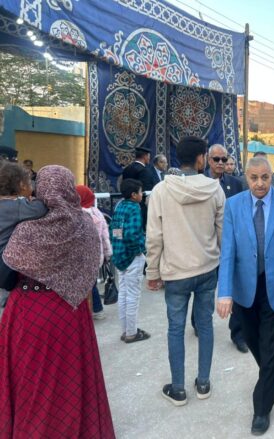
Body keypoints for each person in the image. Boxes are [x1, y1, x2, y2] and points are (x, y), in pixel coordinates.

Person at [0, 165, 115, 438]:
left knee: (32, 384)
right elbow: (93, 267)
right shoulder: (86, 224)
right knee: (72, 379)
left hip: (29, 312)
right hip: (73, 312)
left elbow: (6, 273)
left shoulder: (27, 229)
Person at [217, 156, 274, 435]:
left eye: (264, 177)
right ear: (246, 177)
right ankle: (273, 366)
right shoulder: (233, 205)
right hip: (245, 287)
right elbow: (227, 251)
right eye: (254, 178)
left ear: (272, 177)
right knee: (254, 340)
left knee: (272, 346)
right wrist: (225, 292)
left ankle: (261, 408)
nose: (259, 183)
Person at [146, 136, 225, 406]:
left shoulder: (161, 190)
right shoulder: (215, 190)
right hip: (207, 269)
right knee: (205, 325)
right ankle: (203, 383)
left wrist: (152, 273)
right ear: (202, 158)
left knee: (176, 329)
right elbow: (222, 233)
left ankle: (178, 389)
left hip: (176, 272)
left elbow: (154, 236)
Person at [203, 143, 247, 353]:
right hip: (207, 246)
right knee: (205, 288)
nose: (221, 163)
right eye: (216, 159)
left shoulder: (235, 184)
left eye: (224, 159)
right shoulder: (199, 183)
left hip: (232, 245)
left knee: (236, 288)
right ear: (208, 160)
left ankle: (238, 334)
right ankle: (199, 321)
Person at [0, 162, 47, 307]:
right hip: (5, 266)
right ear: (22, 185)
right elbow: (40, 209)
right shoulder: (16, 207)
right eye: (30, 182)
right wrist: (35, 200)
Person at [110, 178, 150, 343]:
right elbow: (132, 234)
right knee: (133, 295)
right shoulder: (134, 208)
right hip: (132, 257)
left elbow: (115, 231)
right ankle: (132, 333)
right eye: (140, 192)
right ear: (134, 195)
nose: (142, 194)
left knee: (124, 294)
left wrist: (120, 246)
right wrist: (140, 250)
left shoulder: (119, 206)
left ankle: (125, 330)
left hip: (119, 255)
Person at [76, 185, 112, 321]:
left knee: (87, 284)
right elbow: (105, 236)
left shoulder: (77, 214)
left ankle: (94, 310)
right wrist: (107, 253)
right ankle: (96, 309)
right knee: (91, 283)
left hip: (82, 256)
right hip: (96, 256)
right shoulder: (97, 212)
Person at [122, 146, 155, 228]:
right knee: (138, 226)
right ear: (145, 156)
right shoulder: (144, 170)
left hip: (127, 203)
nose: (149, 158)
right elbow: (147, 190)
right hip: (140, 206)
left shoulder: (127, 169)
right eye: (148, 156)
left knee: (125, 225)